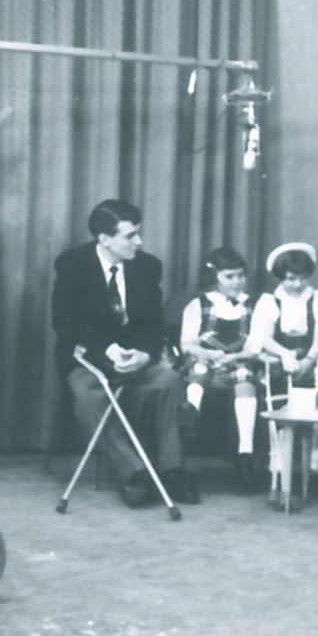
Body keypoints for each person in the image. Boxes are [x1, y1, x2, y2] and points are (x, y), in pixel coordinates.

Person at [52, 199, 199, 509]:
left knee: (170, 380)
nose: (139, 241)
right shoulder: (72, 265)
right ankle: (134, 473)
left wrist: (145, 354)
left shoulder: (147, 266)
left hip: (137, 357)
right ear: (105, 239)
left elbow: (155, 324)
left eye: (138, 233)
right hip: (90, 357)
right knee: (89, 398)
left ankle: (172, 470)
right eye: (130, 235)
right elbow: (65, 322)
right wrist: (109, 349)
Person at [247, 243, 318, 496]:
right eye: (291, 279)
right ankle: (277, 454)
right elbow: (265, 338)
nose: (297, 284)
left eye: (303, 278)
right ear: (279, 277)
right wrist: (284, 355)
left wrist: (309, 360)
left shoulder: (316, 299)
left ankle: (316, 450)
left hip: (308, 360)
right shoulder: (270, 301)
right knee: (277, 399)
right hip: (279, 360)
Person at [177, 248, 264, 488]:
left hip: (238, 360)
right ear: (215, 277)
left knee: (245, 377)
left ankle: (245, 453)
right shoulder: (199, 304)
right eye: (229, 276)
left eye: (241, 275)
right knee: (198, 370)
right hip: (206, 359)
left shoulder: (253, 306)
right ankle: (190, 419)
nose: (237, 282)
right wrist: (208, 354)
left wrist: (235, 356)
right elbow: (187, 344)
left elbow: (255, 345)